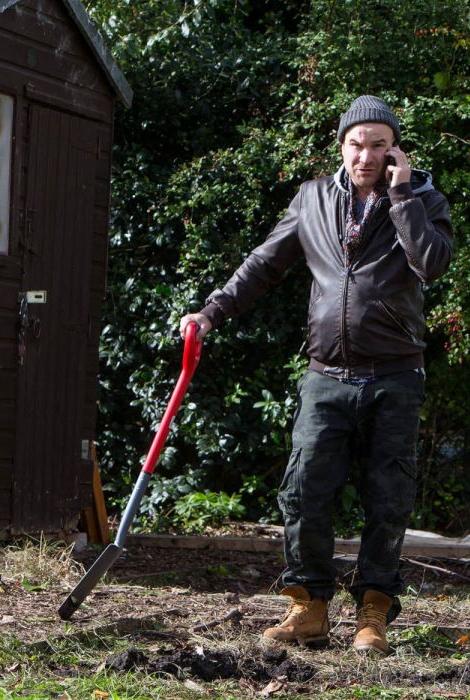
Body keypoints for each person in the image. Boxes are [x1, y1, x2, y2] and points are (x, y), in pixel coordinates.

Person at [179, 95, 453, 655]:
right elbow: (263, 263)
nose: (366, 154)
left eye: (379, 144)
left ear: (394, 149)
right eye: (357, 143)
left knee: (388, 497)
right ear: (341, 145)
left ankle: (373, 613)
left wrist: (401, 196)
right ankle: (309, 608)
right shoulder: (312, 200)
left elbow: (432, 262)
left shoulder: (422, 198)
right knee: (304, 490)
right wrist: (211, 311)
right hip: (327, 373)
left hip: (395, 375)